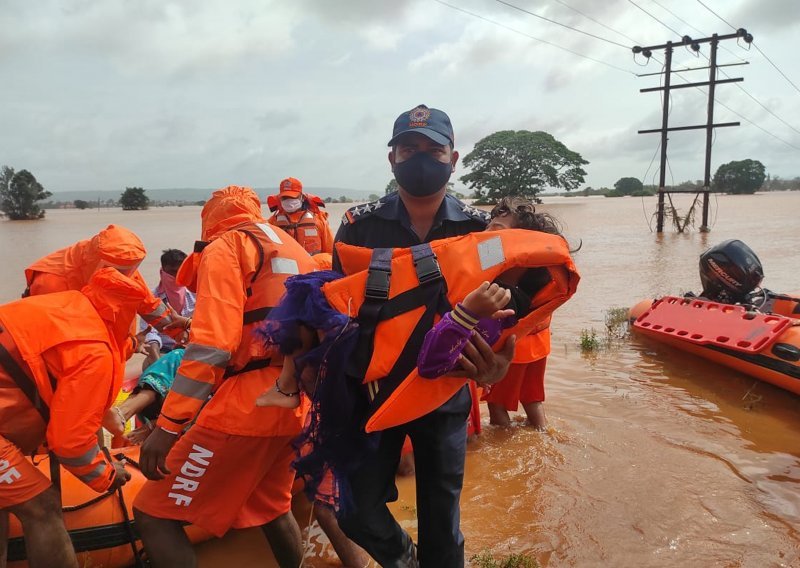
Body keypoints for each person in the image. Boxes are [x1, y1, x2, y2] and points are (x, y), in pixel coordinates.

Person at [332, 104, 516, 567]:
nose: (420, 157)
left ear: (453, 160)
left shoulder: (479, 230)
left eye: (433, 150)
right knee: (355, 510)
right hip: (373, 391)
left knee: (442, 519)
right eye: (408, 148)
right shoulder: (359, 225)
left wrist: (498, 366)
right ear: (391, 157)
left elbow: (508, 315)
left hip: (445, 392)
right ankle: (406, 561)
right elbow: (334, 313)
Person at [132, 186, 317, 568]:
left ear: (209, 222)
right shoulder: (291, 246)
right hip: (294, 399)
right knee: (271, 509)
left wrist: (167, 427)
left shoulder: (225, 246)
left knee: (153, 513)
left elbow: (212, 347)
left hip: (247, 407)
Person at [0, 268, 150, 568]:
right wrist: (107, 474)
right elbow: (70, 443)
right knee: (41, 507)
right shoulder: (95, 350)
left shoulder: (67, 304)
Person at [23, 225, 189, 358]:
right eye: (119, 272)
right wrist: (128, 346)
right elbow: (67, 343)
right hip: (71, 354)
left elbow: (148, 304)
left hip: (113, 352)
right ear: (98, 262)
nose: (123, 278)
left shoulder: (123, 265)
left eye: (130, 271)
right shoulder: (51, 284)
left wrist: (179, 331)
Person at [480, 198, 565, 430]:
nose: (485, 233)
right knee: (532, 397)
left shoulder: (505, 268)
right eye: (487, 226)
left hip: (513, 349)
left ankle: (503, 446)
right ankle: (541, 434)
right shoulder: (540, 267)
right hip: (538, 345)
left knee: (496, 403)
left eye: (495, 229)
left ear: (522, 239)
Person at [103, 347, 186, 445]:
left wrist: (152, 426)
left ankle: (122, 414)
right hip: (165, 408)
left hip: (191, 424)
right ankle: (122, 413)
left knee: (180, 357)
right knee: (179, 356)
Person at [140, 249, 195, 369]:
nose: (176, 277)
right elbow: (150, 334)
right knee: (149, 366)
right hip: (163, 349)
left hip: (190, 348)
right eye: (172, 272)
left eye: (180, 272)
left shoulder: (196, 294)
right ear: (162, 272)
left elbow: (205, 326)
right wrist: (157, 361)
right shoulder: (151, 298)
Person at [267, 177, 334, 256]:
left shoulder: (319, 220)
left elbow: (330, 252)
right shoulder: (272, 223)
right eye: (285, 198)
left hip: (314, 267)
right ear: (280, 198)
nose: (289, 201)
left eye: (293, 197)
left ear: (302, 197)